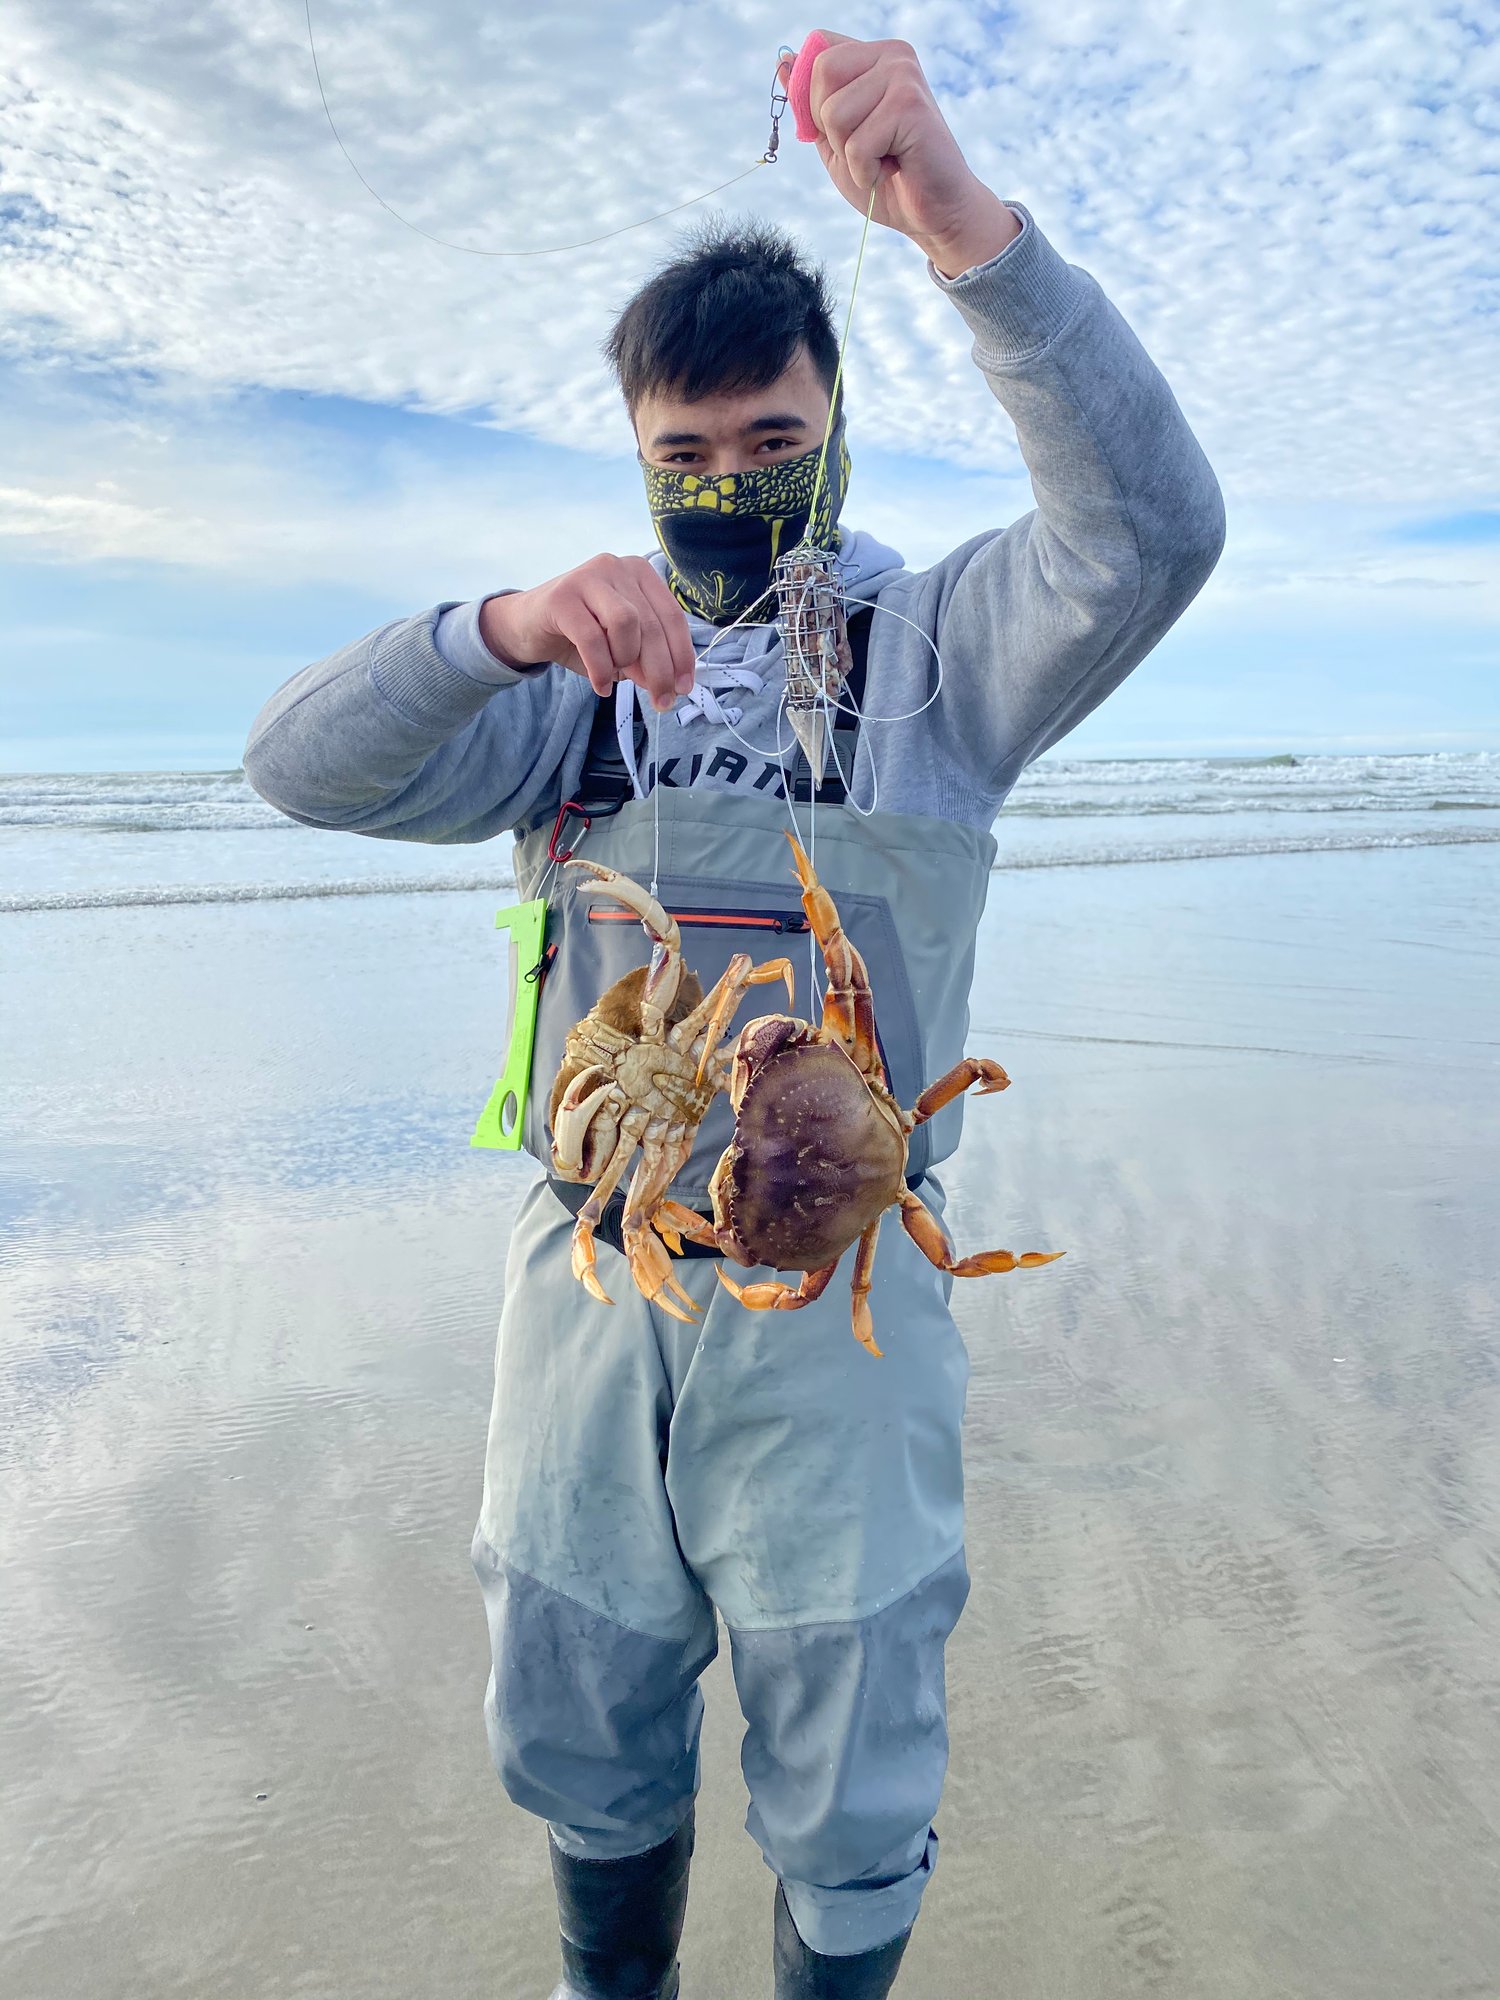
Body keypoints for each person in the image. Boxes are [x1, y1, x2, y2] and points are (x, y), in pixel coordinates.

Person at [245, 30, 1224, 2000]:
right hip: (595, 1281)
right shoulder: (568, 691)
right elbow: (299, 767)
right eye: (685, 457)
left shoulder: (945, 658)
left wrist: (965, 226)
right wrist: (492, 631)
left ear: (837, 418)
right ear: (637, 457)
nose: (729, 485)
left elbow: (1155, 533)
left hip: (842, 1296)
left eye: (771, 443)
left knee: (851, 1732)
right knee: (579, 1699)